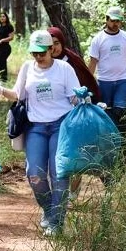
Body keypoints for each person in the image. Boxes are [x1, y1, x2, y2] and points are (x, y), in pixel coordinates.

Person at [0, 30, 80, 236]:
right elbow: (19, 94)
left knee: (59, 174)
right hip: (36, 127)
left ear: (51, 49)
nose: (38, 57)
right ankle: (49, 210)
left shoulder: (64, 69)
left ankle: (56, 223)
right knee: (35, 175)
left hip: (61, 125)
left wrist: (82, 98)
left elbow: (74, 98)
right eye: (34, 53)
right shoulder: (28, 68)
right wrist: (1, 90)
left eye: (42, 53)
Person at [48, 26, 102, 200]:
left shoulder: (72, 61)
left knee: (75, 152)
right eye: (50, 44)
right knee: (58, 153)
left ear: (62, 43)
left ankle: (73, 189)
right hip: (53, 116)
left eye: (56, 43)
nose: (53, 48)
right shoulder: (43, 62)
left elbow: (87, 82)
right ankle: (59, 190)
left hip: (75, 113)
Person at [87, 6, 126, 172]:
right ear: (106, 19)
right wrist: (89, 83)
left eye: (118, 20)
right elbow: (93, 62)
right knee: (106, 115)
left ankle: (123, 152)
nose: (115, 23)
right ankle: (108, 153)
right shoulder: (98, 39)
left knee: (121, 113)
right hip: (104, 82)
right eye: (112, 20)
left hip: (122, 81)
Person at [0, 12, 15, 82]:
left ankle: (4, 80)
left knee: (2, 62)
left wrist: (2, 40)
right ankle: (1, 78)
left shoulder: (9, 26)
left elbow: (11, 37)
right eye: (1, 17)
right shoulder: (0, 27)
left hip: (5, 48)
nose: (2, 18)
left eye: (3, 16)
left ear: (6, 18)